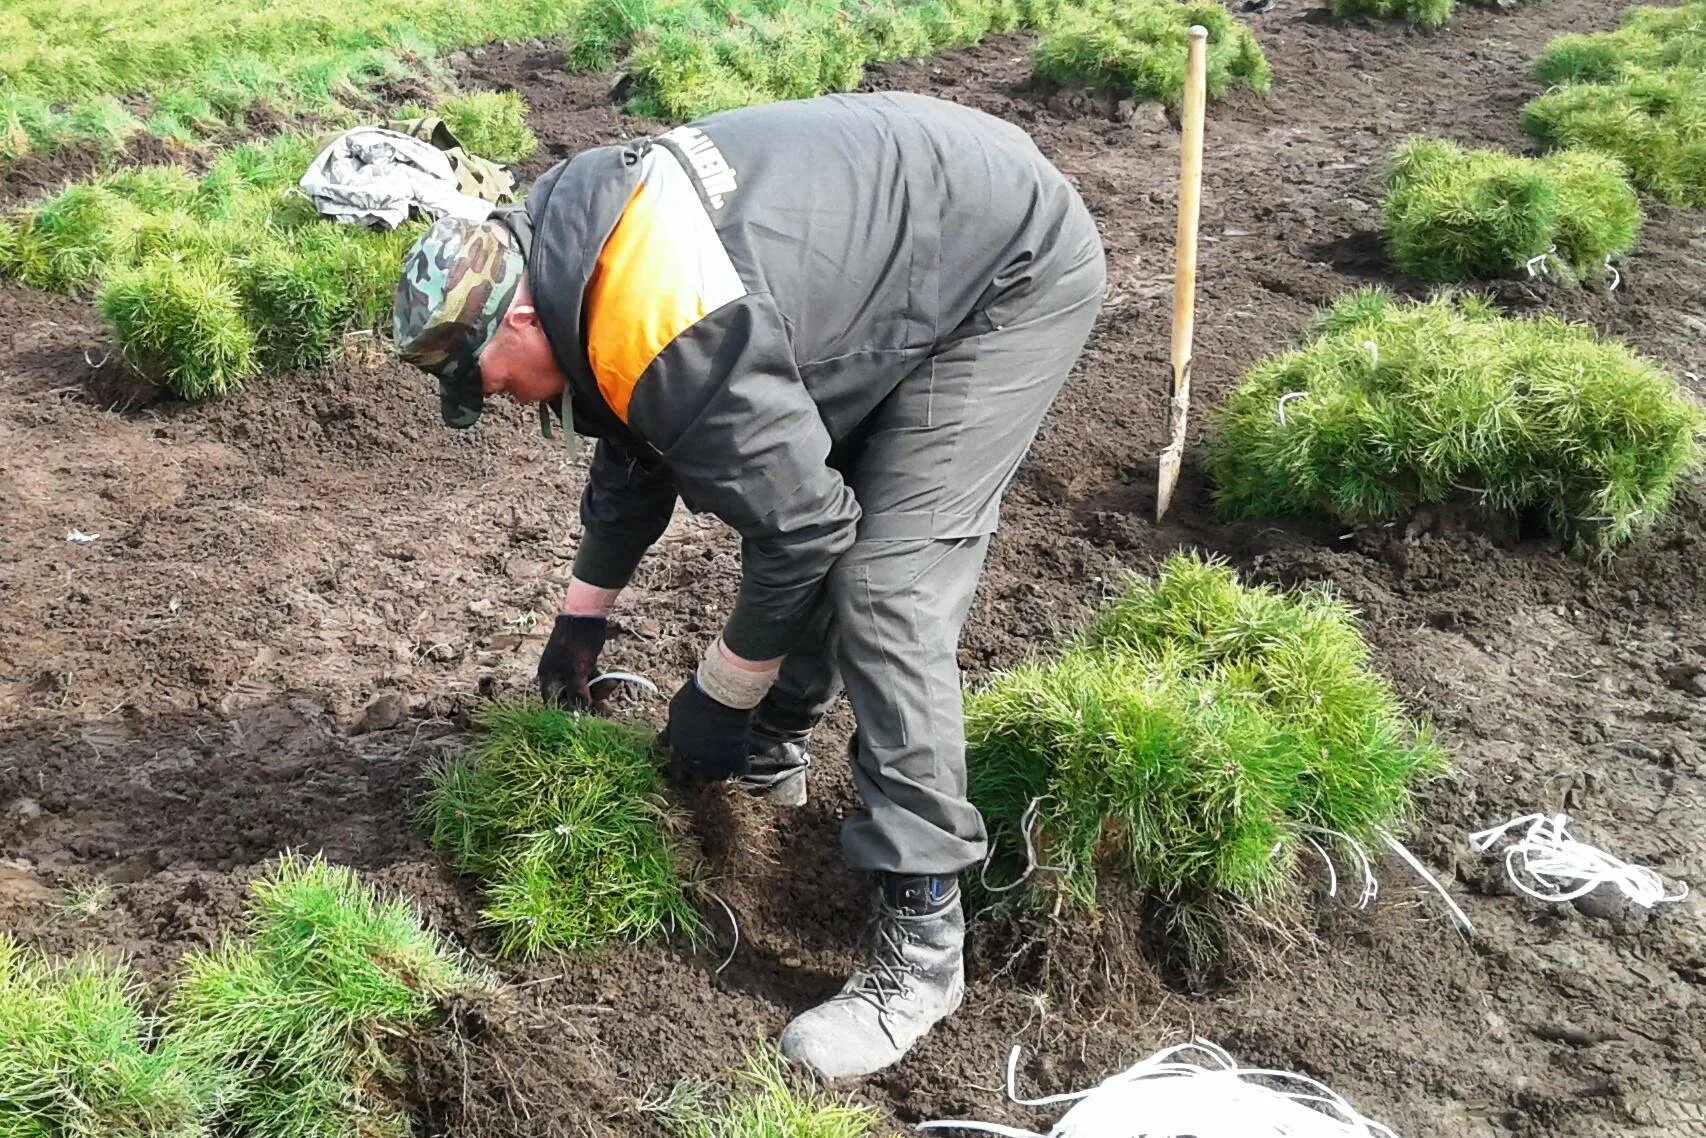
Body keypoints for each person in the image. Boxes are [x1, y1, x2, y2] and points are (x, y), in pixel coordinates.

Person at [392, 90, 1105, 1079]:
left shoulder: (660, 312)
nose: (492, 396)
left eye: (483, 372)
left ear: (516, 312)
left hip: (1001, 271)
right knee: (816, 495)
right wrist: (579, 620)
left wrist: (718, 694)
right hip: (891, 251)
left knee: (886, 586)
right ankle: (775, 755)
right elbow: (634, 429)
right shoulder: (557, 239)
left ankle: (922, 946)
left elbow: (802, 525)